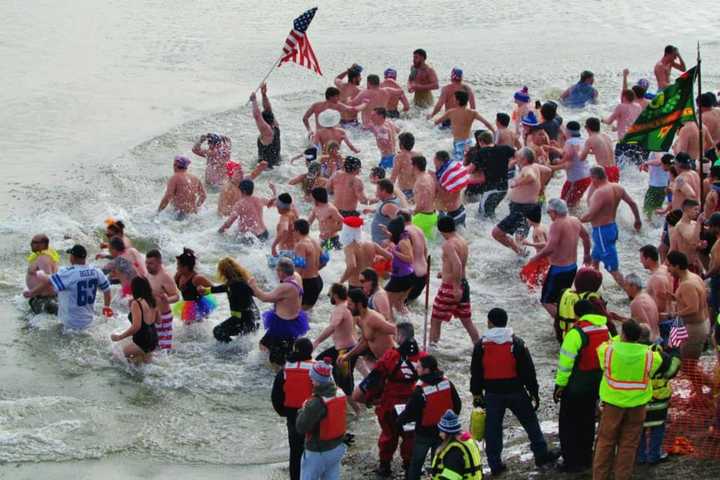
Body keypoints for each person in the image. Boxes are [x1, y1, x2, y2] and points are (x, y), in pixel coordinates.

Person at [470, 308, 559, 476]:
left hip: (492, 394)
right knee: (531, 423)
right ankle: (541, 455)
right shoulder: (517, 343)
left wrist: (476, 394)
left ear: (490, 322)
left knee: (493, 430)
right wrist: (534, 392)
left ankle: (495, 464)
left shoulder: (480, 346)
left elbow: (476, 372)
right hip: (516, 391)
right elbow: (528, 371)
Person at [352, 322, 425, 477]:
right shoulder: (423, 358)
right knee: (410, 435)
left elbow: (375, 379)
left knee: (388, 435)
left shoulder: (391, 356)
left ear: (400, 336)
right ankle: (409, 466)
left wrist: (370, 399)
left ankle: (385, 466)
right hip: (412, 402)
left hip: (391, 402)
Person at [593, 320, 663, 480]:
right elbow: (654, 366)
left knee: (605, 443)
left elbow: (606, 345)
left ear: (622, 334)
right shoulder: (651, 357)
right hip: (638, 406)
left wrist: (620, 338)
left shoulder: (608, 351)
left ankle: (600, 476)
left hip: (612, 405)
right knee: (629, 445)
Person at [553, 300, 610, 473]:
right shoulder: (604, 329)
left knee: (569, 423)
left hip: (576, 385)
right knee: (587, 421)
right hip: (596, 383)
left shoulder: (576, 333)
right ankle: (586, 457)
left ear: (577, 314)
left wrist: (559, 386)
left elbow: (565, 363)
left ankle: (571, 461)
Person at [398, 355, 462, 480]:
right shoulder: (447, 382)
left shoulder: (419, 390)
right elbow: (457, 405)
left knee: (416, 463)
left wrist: (399, 421)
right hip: (443, 431)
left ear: (426, 370)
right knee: (437, 462)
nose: (416, 368)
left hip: (424, 433)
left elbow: (410, 412)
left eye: (419, 367)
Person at [24, 244, 113, 331]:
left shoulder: (68, 273)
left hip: (69, 325)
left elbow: (49, 282)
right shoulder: (96, 271)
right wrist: (106, 306)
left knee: (32, 322)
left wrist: (32, 292)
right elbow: (107, 290)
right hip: (88, 323)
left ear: (73, 257)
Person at [528, 198, 591, 319]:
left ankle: (563, 324)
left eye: (549, 213)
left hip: (558, 270)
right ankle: (568, 321)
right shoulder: (575, 220)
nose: (549, 215)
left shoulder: (556, 224)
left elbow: (550, 248)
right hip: (572, 267)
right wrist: (587, 255)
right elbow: (586, 237)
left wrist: (535, 258)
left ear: (554, 212)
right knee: (561, 299)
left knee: (546, 301)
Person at [580, 166, 642, 287]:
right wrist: (637, 219)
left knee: (612, 269)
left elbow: (590, 215)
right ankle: (595, 287)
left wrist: (576, 220)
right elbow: (633, 203)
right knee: (594, 260)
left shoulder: (600, 193)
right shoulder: (617, 187)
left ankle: (631, 294)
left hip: (601, 231)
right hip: (612, 228)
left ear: (594, 178)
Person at [250, 257, 310, 366]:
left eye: (277, 270)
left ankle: (280, 376)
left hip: (284, 325)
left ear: (282, 272)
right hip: (293, 319)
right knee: (264, 345)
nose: (276, 273)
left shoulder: (286, 286)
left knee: (278, 359)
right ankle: (269, 368)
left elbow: (265, 298)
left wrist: (254, 286)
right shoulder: (297, 277)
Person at [295, 358, 348, 480]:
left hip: (318, 451)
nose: (311, 380)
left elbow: (301, 427)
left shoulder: (315, 403)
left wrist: (302, 409)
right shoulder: (340, 393)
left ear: (317, 381)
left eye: (312, 378)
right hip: (337, 447)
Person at [272, 338, 315, 480]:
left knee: (295, 452)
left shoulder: (285, 369)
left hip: (292, 415)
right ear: (311, 351)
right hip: (313, 414)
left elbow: (276, 396)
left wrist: (283, 412)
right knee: (314, 450)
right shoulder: (316, 368)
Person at [430, 215, 477, 345]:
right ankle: (478, 345)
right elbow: (458, 263)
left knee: (435, 319)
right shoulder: (461, 240)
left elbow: (457, 264)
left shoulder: (448, 244)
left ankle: (432, 349)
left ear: (441, 231)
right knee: (467, 321)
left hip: (451, 287)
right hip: (464, 284)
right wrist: (444, 272)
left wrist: (455, 287)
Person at [636, 328, 681, 465]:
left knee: (639, 429)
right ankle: (654, 455)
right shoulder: (659, 354)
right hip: (659, 401)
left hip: (639, 400)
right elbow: (671, 371)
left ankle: (640, 457)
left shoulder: (633, 355)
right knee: (658, 428)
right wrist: (675, 353)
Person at [492, 148, 548, 255]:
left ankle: (520, 253)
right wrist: (541, 187)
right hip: (530, 207)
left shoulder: (526, 169)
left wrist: (517, 183)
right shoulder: (535, 166)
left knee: (496, 233)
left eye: (517, 156)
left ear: (524, 159)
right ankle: (527, 256)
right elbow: (547, 170)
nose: (515, 158)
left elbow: (531, 177)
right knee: (520, 236)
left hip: (521, 209)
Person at [313, 283, 358, 397]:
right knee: (321, 364)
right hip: (347, 347)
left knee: (344, 383)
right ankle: (332, 396)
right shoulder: (348, 306)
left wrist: (317, 341)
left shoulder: (340, 309)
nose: (329, 296)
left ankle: (356, 409)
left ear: (335, 296)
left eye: (330, 294)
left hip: (344, 351)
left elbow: (332, 327)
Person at [666, 251, 709, 368]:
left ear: (677, 266)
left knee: (688, 368)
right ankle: (702, 385)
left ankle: (710, 385)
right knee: (689, 367)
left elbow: (694, 308)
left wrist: (673, 314)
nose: (667, 269)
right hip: (701, 325)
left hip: (694, 329)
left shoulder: (687, 284)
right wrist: (676, 298)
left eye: (669, 265)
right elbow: (697, 301)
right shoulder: (694, 276)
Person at [202, 257, 260, 343]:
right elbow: (223, 288)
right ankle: (234, 348)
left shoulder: (236, 285)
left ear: (223, 272)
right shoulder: (238, 282)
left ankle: (231, 350)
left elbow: (233, 293)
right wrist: (207, 290)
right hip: (253, 317)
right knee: (236, 338)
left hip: (247, 319)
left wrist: (234, 318)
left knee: (218, 331)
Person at [340, 288, 397, 370]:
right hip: (382, 363)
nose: (347, 307)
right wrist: (347, 356)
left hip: (392, 363)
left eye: (350, 304)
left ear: (359, 304)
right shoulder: (363, 318)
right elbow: (364, 342)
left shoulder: (372, 319)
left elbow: (396, 330)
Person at [465, 130, 515, 218]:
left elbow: (470, 169)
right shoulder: (504, 148)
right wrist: (509, 165)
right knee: (490, 213)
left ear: (481, 142)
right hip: (504, 189)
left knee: (482, 216)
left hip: (491, 189)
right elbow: (519, 155)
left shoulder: (481, 152)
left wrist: (457, 170)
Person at [433, 90, 494, 162]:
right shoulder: (472, 112)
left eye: (454, 99)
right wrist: (495, 132)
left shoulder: (451, 112)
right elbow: (486, 123)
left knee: (458, 163)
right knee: (466, 161)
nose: (453, 101)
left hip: (458, 142)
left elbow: (437, 122)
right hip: (468, 141)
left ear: (458, 101)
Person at [110, 276, 159, 363]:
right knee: (145, 368)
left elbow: (136, 326)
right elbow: (159, 320)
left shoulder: (136, 303)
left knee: (116, 357)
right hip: (153, 338)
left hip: (142, 341)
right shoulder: (152, 300)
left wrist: (119, 337)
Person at [554, 267, 608, 342]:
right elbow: (608, 322)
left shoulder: (564, 293)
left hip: (567, 337)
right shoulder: (593, 299)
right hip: (585, 341)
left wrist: (561, 340)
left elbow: (557, 320)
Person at [429, 410, 484, 480]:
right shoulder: (467, 442)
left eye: (441, 431)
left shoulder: (454, 452)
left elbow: (450, 477)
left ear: (447, 433)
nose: (439, 434)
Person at [218, 179, 276, 245]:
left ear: (244, 191)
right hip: (264, 233)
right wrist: (274, 190)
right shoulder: (259, 199)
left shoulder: (240, 204)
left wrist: (219, 232)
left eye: (239, 190)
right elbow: (272, 203)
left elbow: (229, 222)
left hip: (252, 237)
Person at [548, 121, 591, 208]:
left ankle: (576, 220)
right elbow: (568, 155)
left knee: (565, 205)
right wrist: (554, 148)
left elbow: (568, 163)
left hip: (577, 179)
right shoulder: (581, 141)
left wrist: (552, 168)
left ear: (567, 131)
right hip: (586, 176)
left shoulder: (570, 142)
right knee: (573, 202)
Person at [338, 217, 388, 289]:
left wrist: (340, 282)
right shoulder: (371, 244)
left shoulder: (349, 248)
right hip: (371, 285)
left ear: (346, 232)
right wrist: (379, 261)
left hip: (356, 285)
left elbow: (352, 266)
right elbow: (390, 256)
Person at [145, 249, 179, 351]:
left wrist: (167, 299)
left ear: (159, 263)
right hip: (151, 316)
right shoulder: (148, 274)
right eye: (146, 263)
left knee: (163, 350)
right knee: (152, 346)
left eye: (151, 263)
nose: (147, 266)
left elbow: (176, 296)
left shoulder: (165, 277)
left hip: (164, 318)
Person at [173, 248, 216, 325]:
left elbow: (214, 288)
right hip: (186, 304)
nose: (177, 267)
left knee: (195, 328)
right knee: (187, 329)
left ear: (185, 267)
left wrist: (204, 290)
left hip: (198, 306)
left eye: (178, 265)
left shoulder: (197, 278)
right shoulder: (178, 275)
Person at [384, 217, 416, 316]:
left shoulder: (403, 242)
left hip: (401, 277)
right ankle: (407, 321)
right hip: (408, 275)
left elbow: (410, 258)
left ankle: (391, 324)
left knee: (387, 303)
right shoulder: (404, 237)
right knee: (399, 304)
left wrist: (394, 251)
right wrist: (386, 232)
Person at [614, 274, 660, 342]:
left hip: (648, 341)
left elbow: (637, 328)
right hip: (657, 337)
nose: (624, 288)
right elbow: (640, 321)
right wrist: (619, 318)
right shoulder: (647, 296)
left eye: (626, 285)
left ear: (633, 286)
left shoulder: (636, 303)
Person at [293, 219, 325, 311]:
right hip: (318, 281)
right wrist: (313, 270)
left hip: (307, 283)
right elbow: (324, 260)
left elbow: (299, 267)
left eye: (293, 231)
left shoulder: (301, 245)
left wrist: (289, 283)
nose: (293, 233)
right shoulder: (315, 242)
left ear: (297, 231)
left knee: (296, 313)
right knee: (306, 314)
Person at [639, 245, 673, 331]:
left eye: (642, 259)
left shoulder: (657, 278)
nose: (640, 261)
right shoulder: (665, 268)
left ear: (648, 259)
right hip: (668, 316)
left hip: (661, 323)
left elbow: (661, 306)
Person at [399, 210, 429, 303]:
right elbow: (425, 251)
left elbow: (406, 256)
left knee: (399, 305)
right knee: (409, 304)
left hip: (412, 276)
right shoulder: (418, 229)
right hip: (424, 274)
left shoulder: (405, 232)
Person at [25, 234, 59, 315]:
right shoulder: (42, 255)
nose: (31, 244)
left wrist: (31, 292)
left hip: (46, 300)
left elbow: (49, 281)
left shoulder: (43, 258)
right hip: (43, 298)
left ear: (43, 244)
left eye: (34, 242)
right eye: (32, 241)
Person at [433, 151, 468, 227]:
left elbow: (445, 197)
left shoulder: (447, 177)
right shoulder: (452, 172)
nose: (434, 163)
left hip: (451, 215)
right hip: (459, 210)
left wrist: (435, 181)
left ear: (439, 161)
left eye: (435, 160)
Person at [251, 84, 281, 169]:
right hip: (277, 165)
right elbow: (268, 110)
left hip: (266, 171)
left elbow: (257, 116)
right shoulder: (275, 126)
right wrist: (264, 94)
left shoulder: (267, 133)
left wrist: (254, 100)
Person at [669, 199, 703, 273]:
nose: (698, 212)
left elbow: (694, 245)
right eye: (695, 209)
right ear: (686, 209)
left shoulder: (694, 224)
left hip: (695, 263)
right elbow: (693, 242)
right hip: (685, 267)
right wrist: (699, 222)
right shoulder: (681, 226)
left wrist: (701, 245)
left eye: (698, 210)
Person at [580, 117, 618, 183]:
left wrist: (577, 152)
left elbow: (582, 158)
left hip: (604, 171)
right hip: (615, 169)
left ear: (587, 128)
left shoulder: (590, 139)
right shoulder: (606, 136)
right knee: (613, 192)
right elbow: (601, 151)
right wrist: (589, 152)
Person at [308, 187, 344, 251]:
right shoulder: (315, 208)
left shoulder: (331, 209)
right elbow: (309, 222)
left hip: (332, 240)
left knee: (331, 259)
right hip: (322, 239)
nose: (311, 198)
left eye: (312, 197)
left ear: (317, 198)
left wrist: (332, 231)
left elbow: (343, 222)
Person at [411, 155, 439, 239]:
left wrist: (412, 212)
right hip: (432, 215)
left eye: (411, 165)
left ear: (415, 166)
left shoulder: (421, 182)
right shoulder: (428, 177)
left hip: (422, 218)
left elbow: (422, 204)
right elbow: (434, 193)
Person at [641, 153, 671, 219]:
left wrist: (646, 163)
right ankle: (658, 226)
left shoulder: (656, 150)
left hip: (655, 186)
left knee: (647, 210)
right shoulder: (668, 151)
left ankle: (649, 227)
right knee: (658, 208)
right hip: (664, 186)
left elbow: (659, 161)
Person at [391, 132, 420, 201]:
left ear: (401, 145)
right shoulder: (419, 155)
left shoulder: (399, 157)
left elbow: (393, 178)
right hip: (418, 191)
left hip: (405, 192)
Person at [371, 179, 402, 244]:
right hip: (379, 241)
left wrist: (390, 238)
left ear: (384, 191)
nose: (376, 192)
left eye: (377, 190)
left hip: (383, 243)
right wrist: (371, 211)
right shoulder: (387, 200)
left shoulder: (389, 206)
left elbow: (400, 226)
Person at [270, 193, 299, 260]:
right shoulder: (294, 212)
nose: (276, 207)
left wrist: (273, 246)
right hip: (295, 251)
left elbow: (284, 230)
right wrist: (274, 192)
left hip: (286, 253)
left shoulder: (285, 217)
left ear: (281, 207)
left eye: (277, 205)